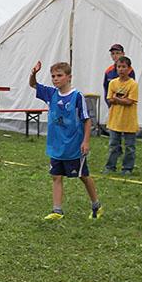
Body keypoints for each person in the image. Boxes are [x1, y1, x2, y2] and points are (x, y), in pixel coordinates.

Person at [30, 60, 103, 220]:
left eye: (59, 75)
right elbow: (33, 85)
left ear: (69, 77)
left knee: (83, 176)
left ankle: (96, 205)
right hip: (56, 146)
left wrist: (86, 141)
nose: (55, 79)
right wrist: (33, 74)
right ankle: (57, 211)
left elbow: (87, 120)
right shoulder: (51, 94)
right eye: (53, 76)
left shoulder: (77, 97)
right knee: (56, 176)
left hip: (73, 146)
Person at [104, 56, 139, 176]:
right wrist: (121, 99)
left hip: (129, 121)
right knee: (113, 145)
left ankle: (127, 168)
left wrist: (117, 99)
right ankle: (110, 166)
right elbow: (109, 99)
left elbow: (130, 101)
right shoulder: (113, 83)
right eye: (119, 67)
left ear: (129, 69)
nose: (121, 69)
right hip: (115, 120)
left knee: (130, 146)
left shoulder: (133, 84)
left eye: (124, 67)